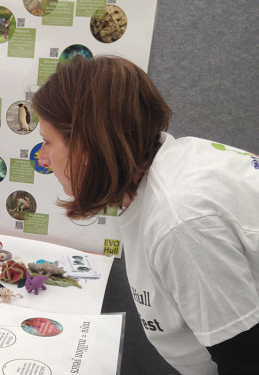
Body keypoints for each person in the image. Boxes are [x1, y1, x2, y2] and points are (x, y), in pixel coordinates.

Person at [32, 55, 258, 375]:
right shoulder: (159, 175)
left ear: (85, 145)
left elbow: (246, 361)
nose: (42, 160)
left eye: (47, 142)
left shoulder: (180, 222)